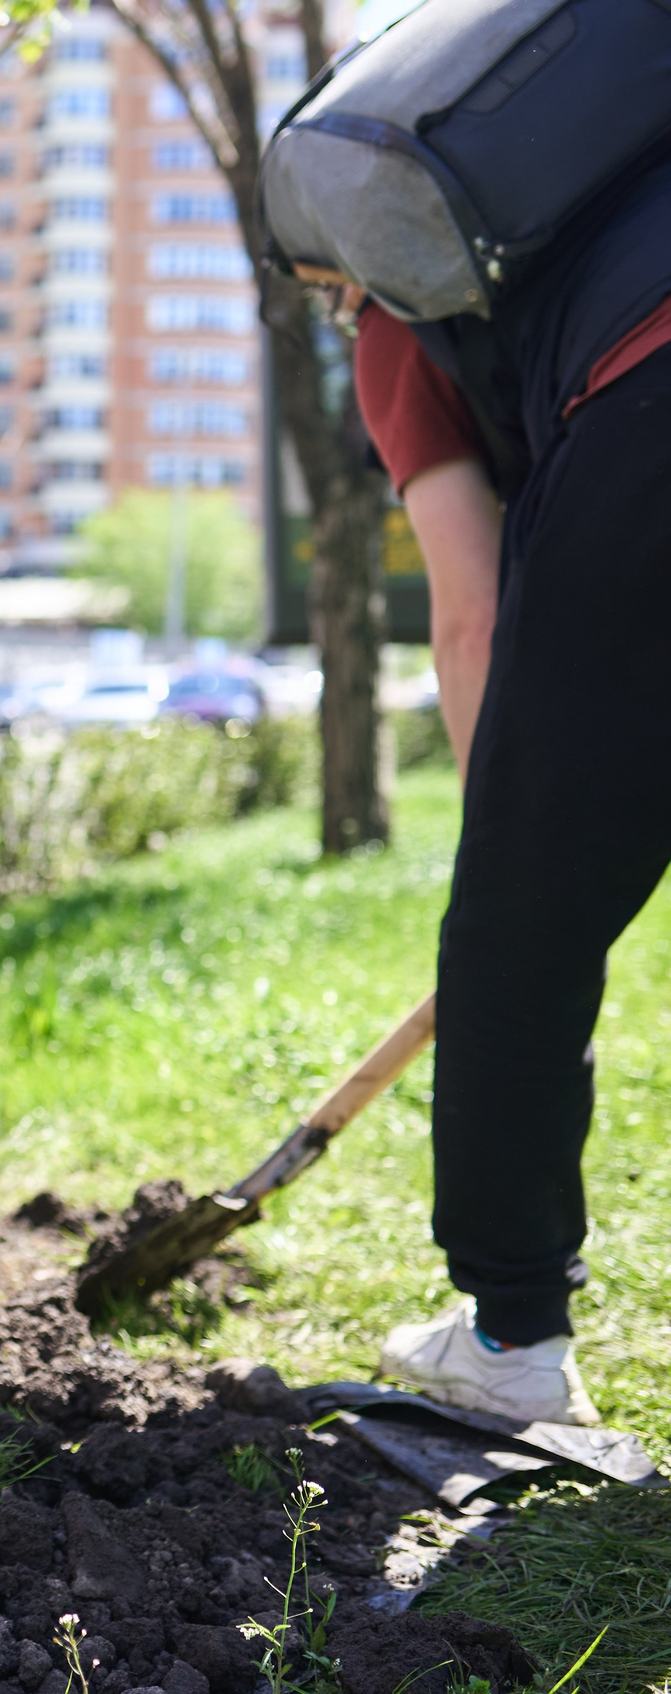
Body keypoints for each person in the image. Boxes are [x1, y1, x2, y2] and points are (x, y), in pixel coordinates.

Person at [342, 148, 671, 1428]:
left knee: (518, 936)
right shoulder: (623, 186)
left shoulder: (393, 305)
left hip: (646, 418)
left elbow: (468, 613)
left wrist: (508, 876)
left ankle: (512, 1336)